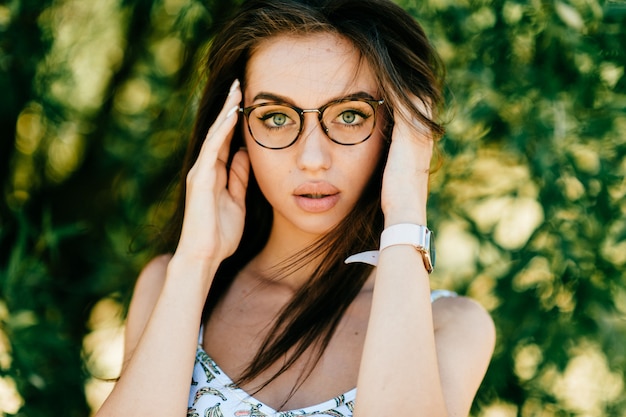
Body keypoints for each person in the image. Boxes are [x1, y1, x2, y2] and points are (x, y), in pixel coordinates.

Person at [95, 0, 496, 416]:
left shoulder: (449, 326)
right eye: (277, 118)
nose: (312, 158)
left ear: (397, 128)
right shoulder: (172, 284)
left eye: (350, 115)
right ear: (235, 131)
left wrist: (407, 203)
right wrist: (197, 260)